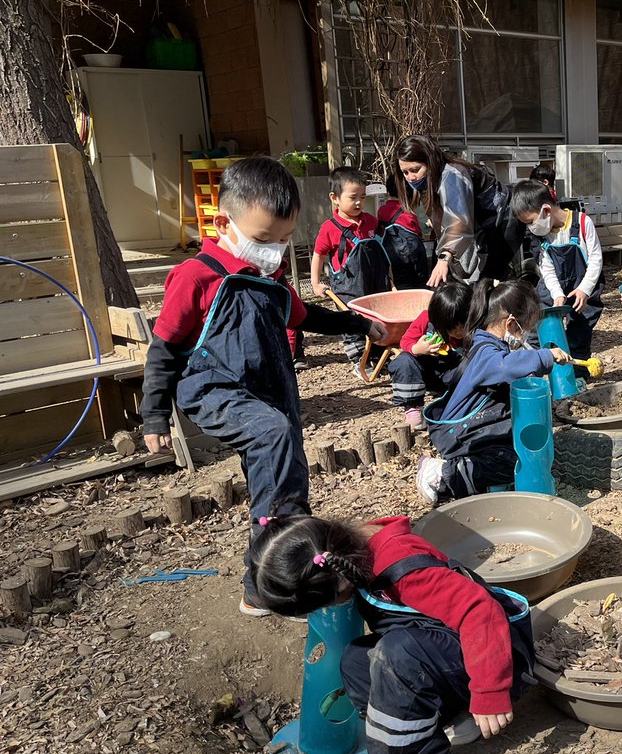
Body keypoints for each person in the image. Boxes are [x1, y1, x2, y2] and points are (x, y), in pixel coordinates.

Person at [139, 157, 386, 616]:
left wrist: (358, 323)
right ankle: (281, 567)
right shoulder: (196, 277)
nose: (275, 250)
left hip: (269, 390)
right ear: (223, 222)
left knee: (282, 466)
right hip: (213, 388)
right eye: (263, 239)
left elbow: (306, 316)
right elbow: (165, 348)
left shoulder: (269, 279)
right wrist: (154, 413)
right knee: (273, 435)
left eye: (285, 239)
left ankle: (269, 576)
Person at [249, 512, 535, 754]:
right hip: (449, 652)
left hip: (498, 658)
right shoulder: (348, 550)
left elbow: (479, 611)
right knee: (357, 661)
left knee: (396, 656)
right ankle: (436, 724)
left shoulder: (401, 567)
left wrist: (489, 693)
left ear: (340, 582)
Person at [416, 281, 571, 503]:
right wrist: (545, 356)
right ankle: (441, 473)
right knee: (512, 465)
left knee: (522, 456)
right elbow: (505, 366)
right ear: (510, 323)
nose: (525, 335)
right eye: (525, 328)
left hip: (479, 430)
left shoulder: (490, 343)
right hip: (459, 436)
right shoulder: (485, 352)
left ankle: (482, 476)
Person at [509, 179, 603, 376]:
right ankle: (536, 369)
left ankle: (577, 376)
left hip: (583, 284)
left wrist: (585, 289)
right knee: (538, 323)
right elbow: (547, 268)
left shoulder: (582, 223)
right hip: (554, 284)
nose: (531, 228)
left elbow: (596, 259)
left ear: (546, 210)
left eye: (530, 222)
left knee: (579, 332)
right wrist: (557, 294)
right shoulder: (541, 235)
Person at [396, 136, 514, 287]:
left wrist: (444, 258)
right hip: (476, 230)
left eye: (415, 170)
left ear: (430, 162)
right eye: (405, 173)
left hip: (498, 224)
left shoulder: (452, 174)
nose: (411, 178)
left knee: (489, 281)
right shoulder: (429, 183)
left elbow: (458, 221)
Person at [311, 167, 392, 366]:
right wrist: (315, 282)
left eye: (363, 197)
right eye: (353, 197)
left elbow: (383, 254)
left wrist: (392, 281)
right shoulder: (330, 228)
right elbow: (318, 255)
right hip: (348, 286)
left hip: (375, 283)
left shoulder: (371, 222)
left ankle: (377, 356)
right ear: (335, 197)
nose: (359, 202)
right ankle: (358, 359)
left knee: (378, 317)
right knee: (352, 319)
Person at [387, 281, 472, 430]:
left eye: (463, 326)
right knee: (404, 361)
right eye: (452, 328)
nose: (459, 332)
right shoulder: (426, 320)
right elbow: (405, 341)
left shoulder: (476, 328)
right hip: (427, 373)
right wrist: (417, 348)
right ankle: (412, 407)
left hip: (454, 375)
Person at [376, 173, 430, 290]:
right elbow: (418, 232)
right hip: (412, 257)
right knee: (419, 287)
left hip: (392, 257)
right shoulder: (410, 212)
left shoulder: (381, 210)